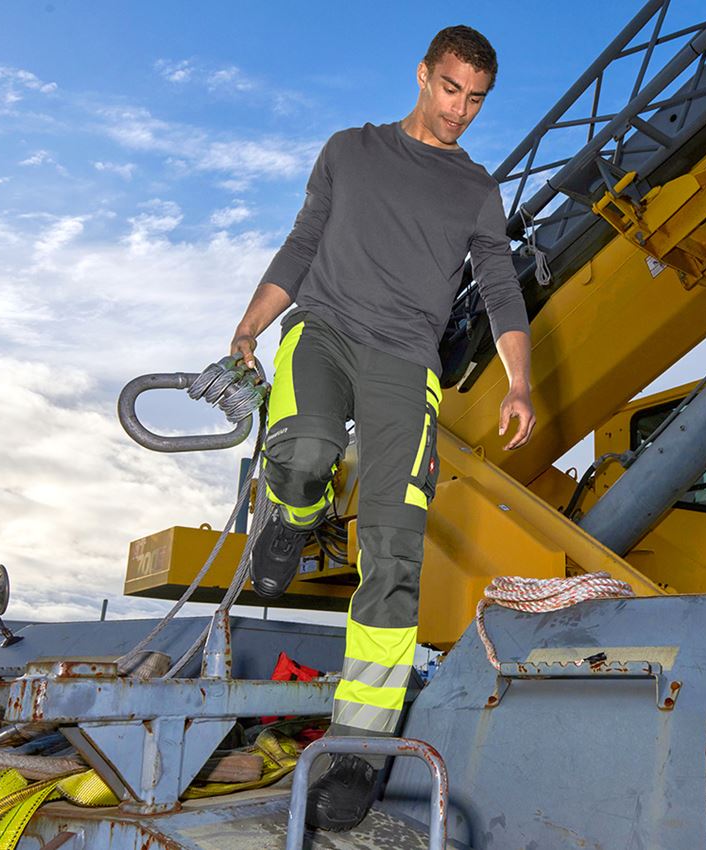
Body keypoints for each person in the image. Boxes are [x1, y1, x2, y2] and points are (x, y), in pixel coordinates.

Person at [228, 25, 535, 832]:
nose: (460, 111)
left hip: (407, 363)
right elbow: (302, 243)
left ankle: (356, 750)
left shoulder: (474, 190)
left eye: (475, 99)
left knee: (397, 553)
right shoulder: (349, 150)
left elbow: (501, 287)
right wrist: (246, 329)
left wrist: (521, 382)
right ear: (423, 75)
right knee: (307, 450)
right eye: (449, 89)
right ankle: (290, 516)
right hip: (321, 332)